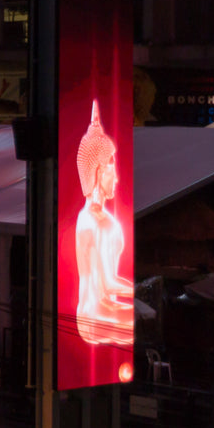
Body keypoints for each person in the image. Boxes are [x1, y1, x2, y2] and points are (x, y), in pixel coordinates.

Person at [73, 100, 134, 346]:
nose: (117, 177)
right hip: (99, 316)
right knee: (147, 319)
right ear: (99, 171)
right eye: (112, 167)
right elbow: (108, 284)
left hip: (83, 314)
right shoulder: (100, 222)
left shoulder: (83, 216)